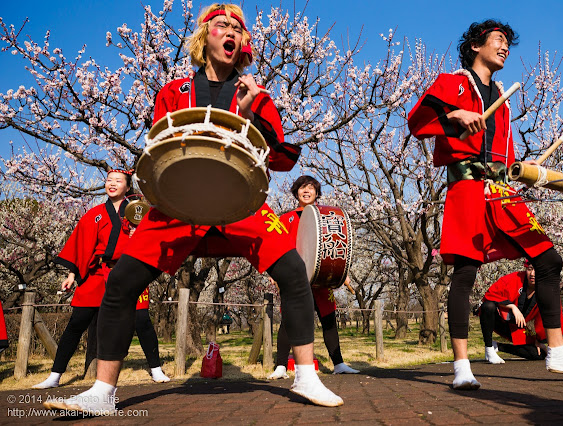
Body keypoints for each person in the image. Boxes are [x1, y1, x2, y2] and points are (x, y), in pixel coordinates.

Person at [45, 4, 342, 414]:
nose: (231, 32)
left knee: (294, 271)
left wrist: (252, 112)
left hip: (240, 203)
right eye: (222, 25)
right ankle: (102, 391)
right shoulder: (172, 92)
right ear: (206, 38)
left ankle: (307, 377)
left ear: (243, 46)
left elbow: (284, 159)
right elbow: (158, 151)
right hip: (179, 206)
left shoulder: (257, 94)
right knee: (122, 281)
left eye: (238, 27)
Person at [407, 19, 563, 390]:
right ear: (474, 46)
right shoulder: (453, 82)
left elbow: (505, 152)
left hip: (501, 190)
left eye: (507, 43)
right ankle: (462, 365)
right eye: (498, 40)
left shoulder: (501, 94)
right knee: (465, 274)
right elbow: (417, 120)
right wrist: (453, 115)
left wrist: (524, 165)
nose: (505, 48)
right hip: (466, 188)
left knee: (548, 259)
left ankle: (557, 351)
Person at [33, 170, 169, 390]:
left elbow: (155, 237)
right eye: (109, 181)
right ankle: (55, 375)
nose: (112, 184)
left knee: (141, 319)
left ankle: (156, 369)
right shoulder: (94, 214)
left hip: (129, 272)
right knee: (78, 321)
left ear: (128, 187)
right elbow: (81, 243)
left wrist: (139, 235)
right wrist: (71, 275)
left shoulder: (139, 211)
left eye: (118, 181)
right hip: (98, 272)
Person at [268, 175, 359, 379]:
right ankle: (281, 366)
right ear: (296, 192)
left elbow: (336, 247)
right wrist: (275, 272)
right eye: (302, 188)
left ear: (317, 193)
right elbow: (277, 247)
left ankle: (339, 364)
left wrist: (342, 273)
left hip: (322, 278)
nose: (306, 191)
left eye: (311, 188)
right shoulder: (285, 219)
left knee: (328, 320)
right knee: (289, 320)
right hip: (295, 278)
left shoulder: (327, 217)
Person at [479, 260, 563, 363]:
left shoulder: (546, 289)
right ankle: (488, 348)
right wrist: (512, 307)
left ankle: (497, 346)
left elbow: (548, 315)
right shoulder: (515, 278)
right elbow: (490, 294)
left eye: (536, 270)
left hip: (518, 326)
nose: (532, 274)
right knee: (487, 306)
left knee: (539, 354)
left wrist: (539, 340)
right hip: (500, 318)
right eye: (530, 269)